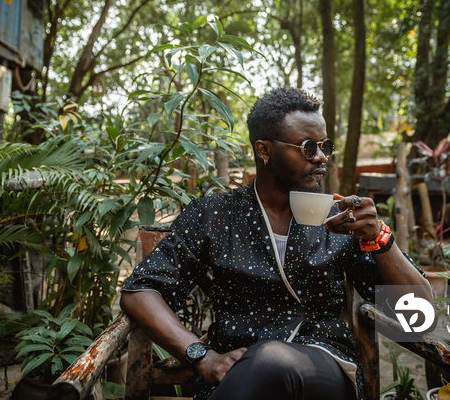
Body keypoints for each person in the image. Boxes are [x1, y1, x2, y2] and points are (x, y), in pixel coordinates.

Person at [120, 88, 430, 399]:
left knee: (272, 360)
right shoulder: (215, 215)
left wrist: (379, 238)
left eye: (325, 145)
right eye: (308, 147)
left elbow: (420, 315)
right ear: (264, 150)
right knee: (264, 364)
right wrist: (202, 355)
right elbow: (140, 291)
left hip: (324, 367)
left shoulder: (342, 221)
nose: (322, 156)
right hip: (237, 374)